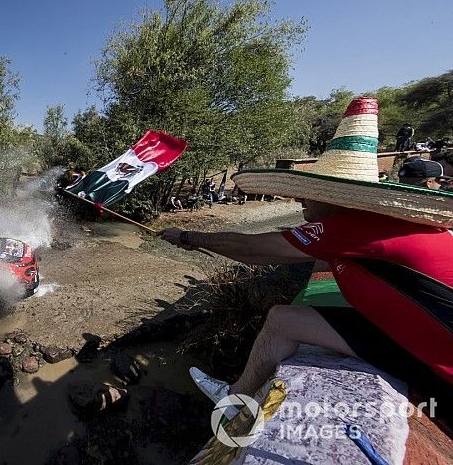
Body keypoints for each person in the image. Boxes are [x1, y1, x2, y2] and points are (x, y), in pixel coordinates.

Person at [161, 98, 453, 417]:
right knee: (283, 320)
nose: (301, 200)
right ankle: (236, 398)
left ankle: (235, 402)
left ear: (332, 197)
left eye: (308, 192)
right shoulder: (375, 224)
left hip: (438, 368)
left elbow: (254, 249)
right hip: (415, 337)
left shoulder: (349, 226)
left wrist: (190, 237)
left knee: (283, 320)